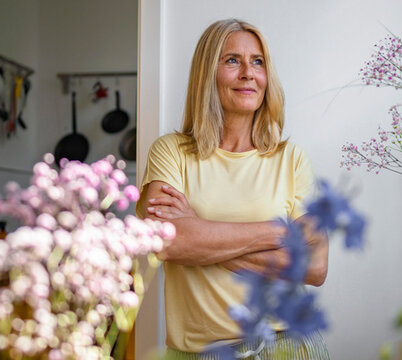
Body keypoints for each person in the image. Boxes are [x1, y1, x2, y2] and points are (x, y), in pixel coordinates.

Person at [136, 19, 330, 359]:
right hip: (197, 352)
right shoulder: (171, 152)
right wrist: (281, 232)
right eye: (232, 61)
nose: (248, 73)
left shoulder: (291, 159)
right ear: (207, 73)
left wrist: (201, 236)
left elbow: (314, 268)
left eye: (258, 62)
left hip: (284, 346)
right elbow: (168, 241)